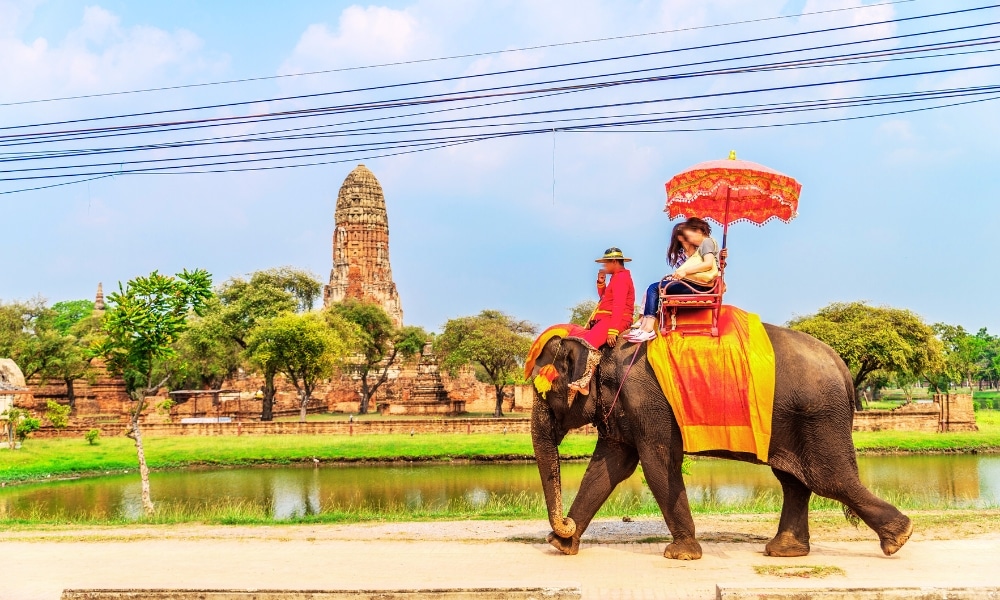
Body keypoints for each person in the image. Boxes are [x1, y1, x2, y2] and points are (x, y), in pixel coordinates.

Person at [626, 218, 721, 342]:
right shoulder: (702, 245)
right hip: (697, 284)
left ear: (698, 231)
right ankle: (645, 325)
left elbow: (708, 264)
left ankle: (648, 328)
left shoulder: (706, 242)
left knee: (655, 288)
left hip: (698, 286)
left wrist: (685, 271)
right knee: (655, 286)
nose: (689, 238)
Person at [569, 247, 636, 394]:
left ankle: (584, 382)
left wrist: (613, 330)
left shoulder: (621, 278)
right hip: (608, 318)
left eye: (606, 263)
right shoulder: (617, 277)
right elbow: (606, 299)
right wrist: (601, 283)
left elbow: (618, 305)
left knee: (589, 342)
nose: (604, 266)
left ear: (614, 261)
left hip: (616, 319)